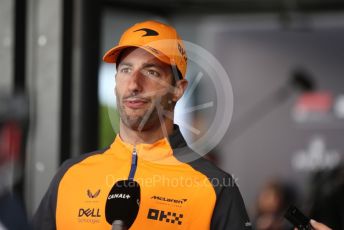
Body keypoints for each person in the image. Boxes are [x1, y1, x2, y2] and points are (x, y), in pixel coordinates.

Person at [32, 20, 252, 229]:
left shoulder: (215, 187)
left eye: (151, 72)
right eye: (126, 70)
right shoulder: (71, 175)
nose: (134, 84)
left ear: (178, 89)